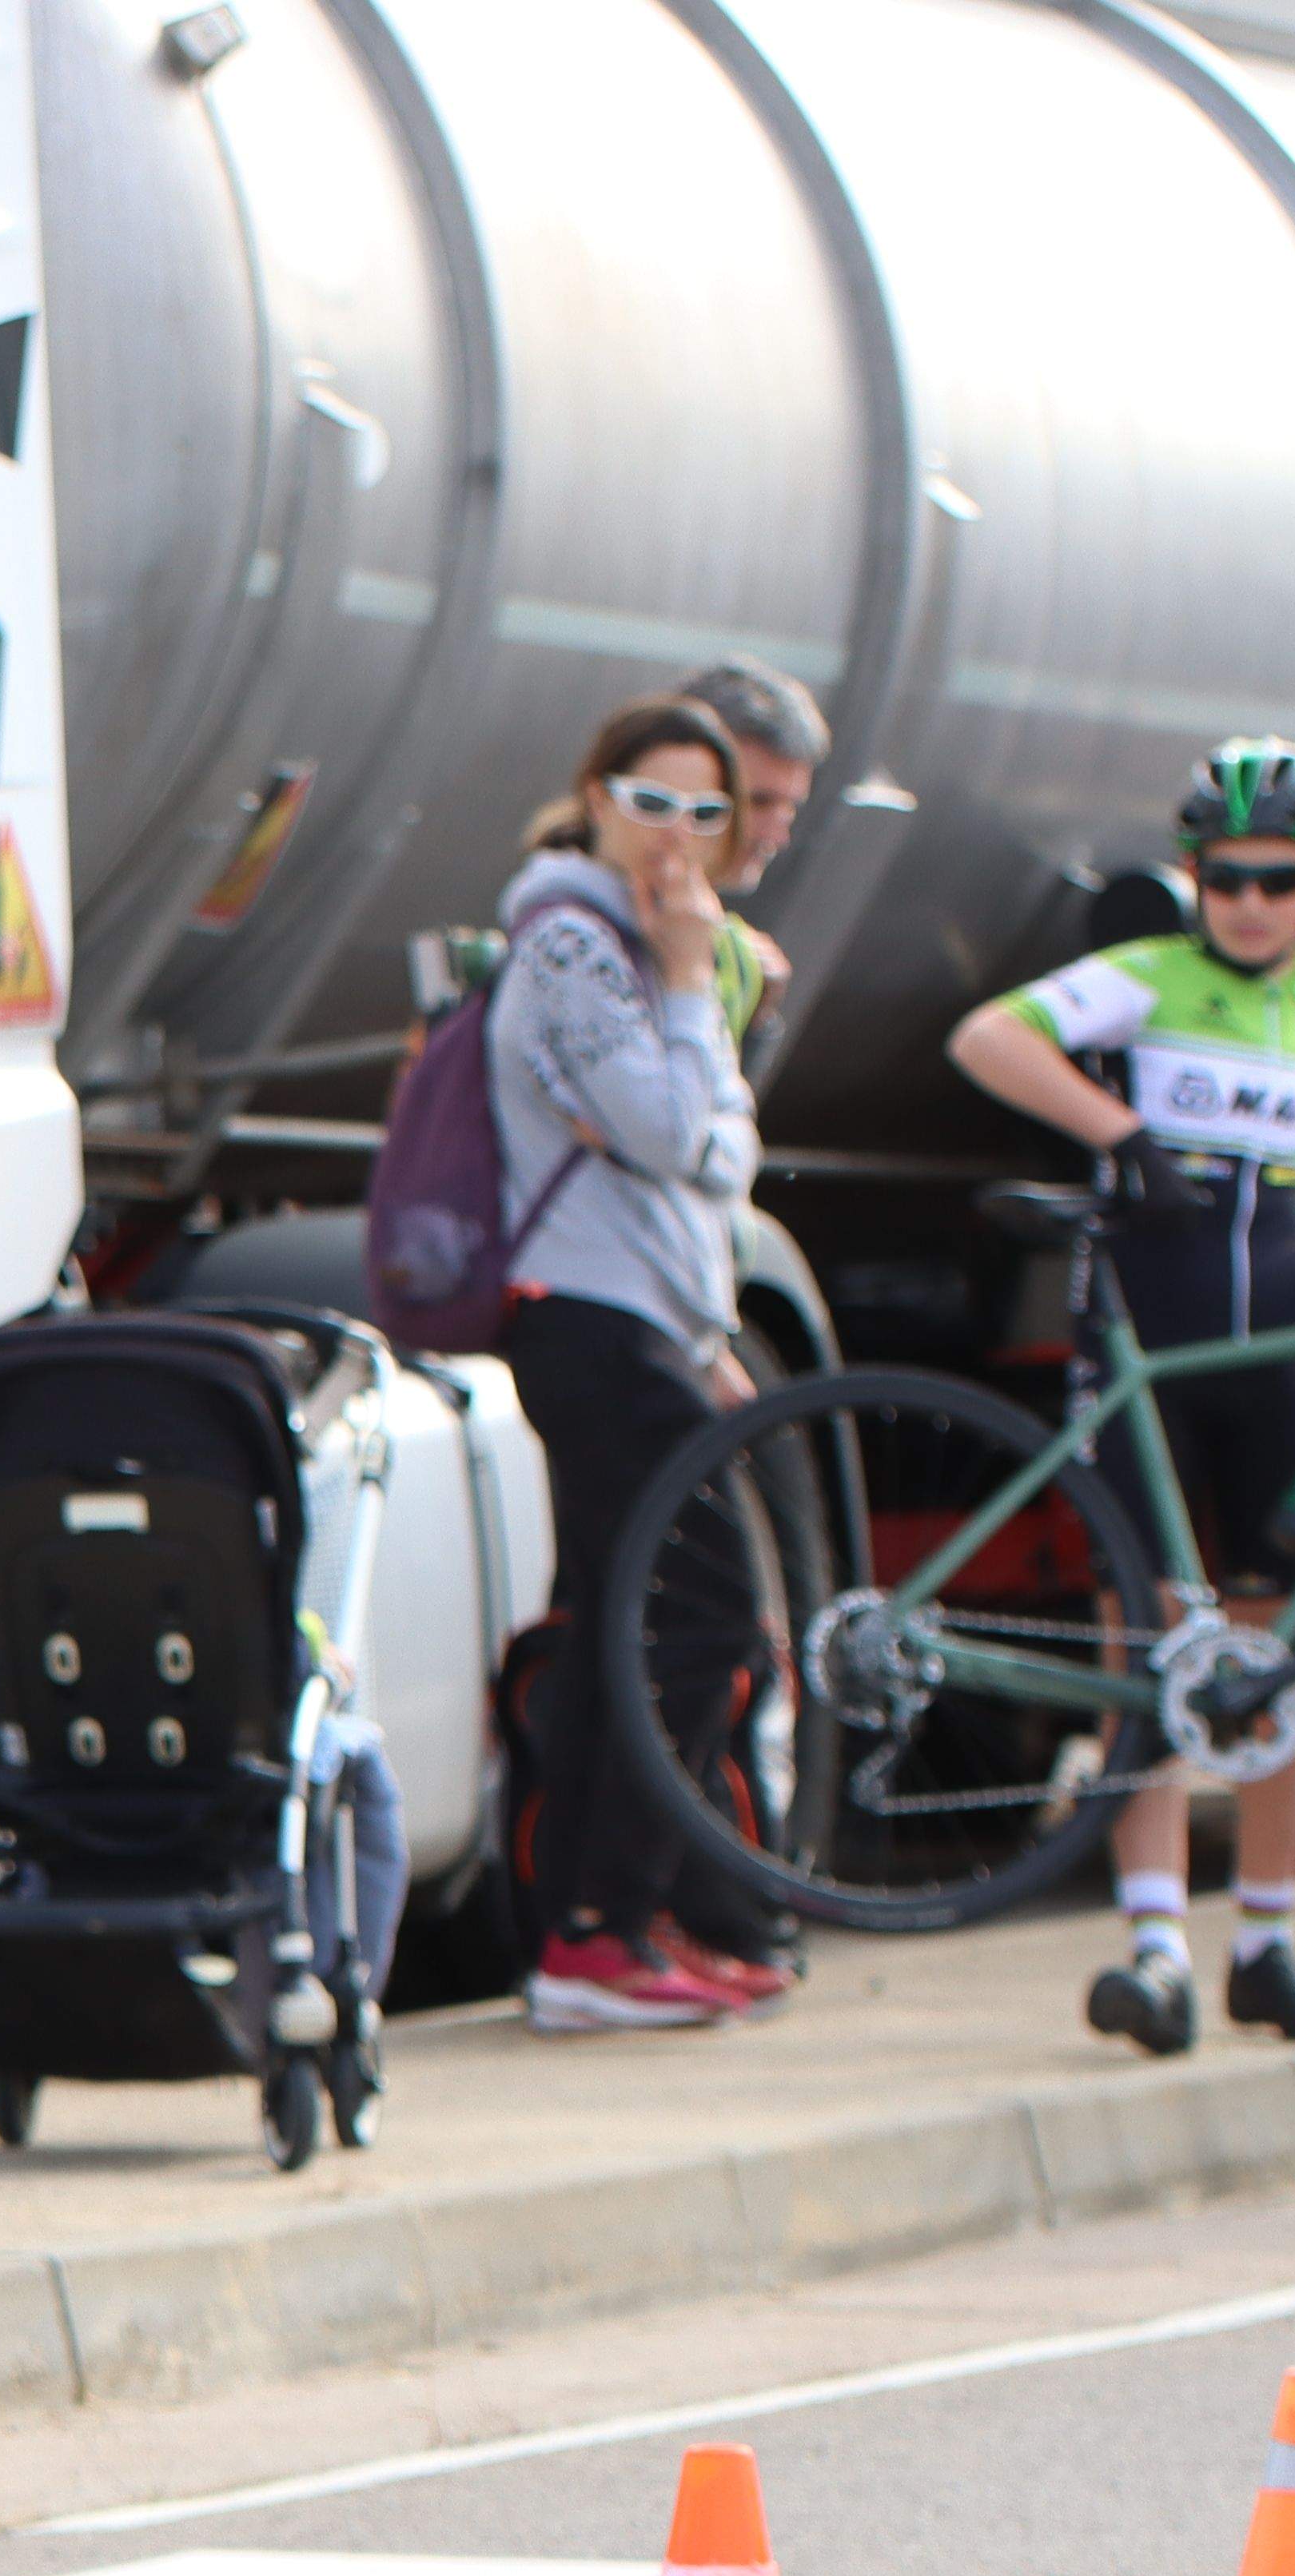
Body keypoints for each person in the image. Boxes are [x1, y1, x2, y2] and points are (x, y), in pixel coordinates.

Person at [947, 735, 1295, 2055]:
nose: (1247, 903)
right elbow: (989, 1037)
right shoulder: (1149, 975)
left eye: (1277, 880)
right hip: (1146, 1344)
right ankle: (1155, 1950)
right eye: (1223, 878)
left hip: (1277, 1358)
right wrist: (1122, 1136)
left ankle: (1266, 1946)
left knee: (1274, 1647)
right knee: (1150, 1643)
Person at [494, 695, 783, 2032]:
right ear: (597, 796)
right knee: (700, 1608)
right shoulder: (572, 940)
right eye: (651, 800)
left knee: (638, 1610)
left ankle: (617, 1922)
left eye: (706, 810)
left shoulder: (648, 944)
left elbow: (724, 1150)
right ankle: (599, 1929)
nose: (678, 832)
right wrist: (684, 981)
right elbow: (679, 1134)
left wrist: (686, 1025)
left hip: (648, 1320)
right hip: (590, 1319)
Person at [674, 653, 826, 1060]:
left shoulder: (732, 953)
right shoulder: (578, 930)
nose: (777, 837)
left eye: (790, 808)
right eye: (757, 802)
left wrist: (755, 1025)